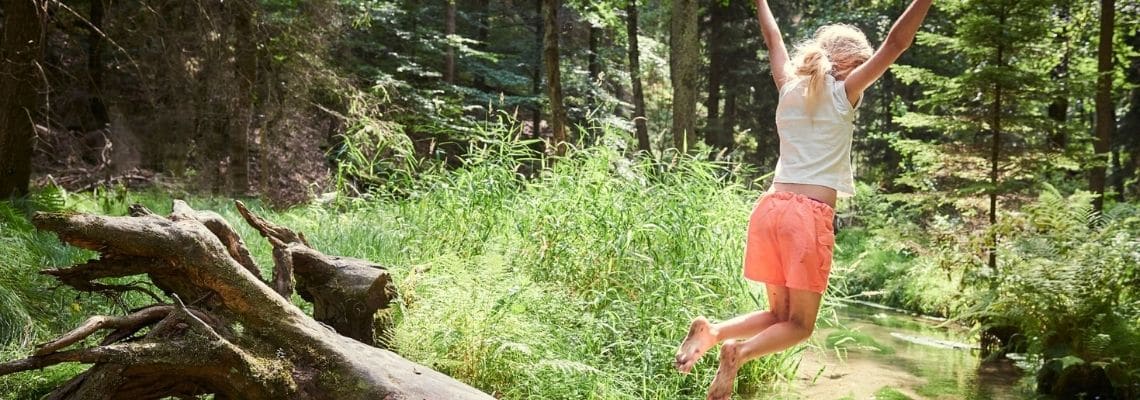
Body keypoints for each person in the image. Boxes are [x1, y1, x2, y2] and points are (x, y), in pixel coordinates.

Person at [673, 1, 933, 399]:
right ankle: (736, 353)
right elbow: (896, 43)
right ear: (849, 66)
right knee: (801, 325)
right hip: (806, 217)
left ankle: (715, 332)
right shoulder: (845, 92)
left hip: (771, 209)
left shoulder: (787, 85)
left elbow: (772, 37)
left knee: (778, 315)